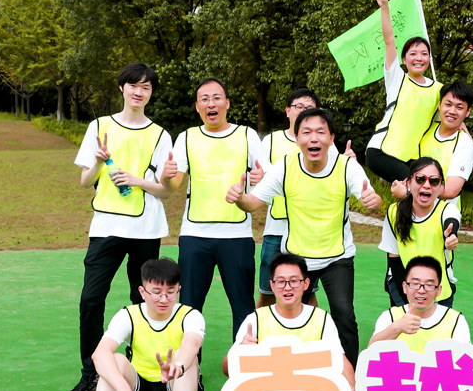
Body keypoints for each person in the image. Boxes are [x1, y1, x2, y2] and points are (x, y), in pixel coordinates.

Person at [229, 108, 382, 367]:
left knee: (344, 315)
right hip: (297, 259)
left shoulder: (347, 166)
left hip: (337, 257)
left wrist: (373, 201)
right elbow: (252, 202)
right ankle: (293, 370)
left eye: (321, 132)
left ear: (331, 138)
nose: (314, 138)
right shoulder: (285, 166)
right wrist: (240, 198)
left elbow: (373, 200)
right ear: (297, 138)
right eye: (307, 132)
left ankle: (349, 380)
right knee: (291, 315)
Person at [69, 62, 173, 391]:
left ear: (151, 93)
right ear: (122, 88)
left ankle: (138, 369)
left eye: (146, 87)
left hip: (146, 228)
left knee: (142, 299)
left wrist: (136, 180)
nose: (139, 92)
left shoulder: (160, 134)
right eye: (133, 85)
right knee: (91, 299)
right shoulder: (99, 126)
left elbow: (165, 190)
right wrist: (100, 161)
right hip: (106, 227)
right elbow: (85, 180)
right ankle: (91, 373)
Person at [161, 78, 261, 341]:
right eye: (204, 99)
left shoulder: (247, 135)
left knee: (243, 307)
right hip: (195, 235)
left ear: (227, 103)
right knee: (189, 307)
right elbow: (173, 184)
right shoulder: (187, 137)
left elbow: (264, 177)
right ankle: (190, 365)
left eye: (216, 98)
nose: (210, 104)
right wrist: (166, 176)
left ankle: (244, 362)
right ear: (197, 107)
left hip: (237, 235)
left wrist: (260, 179)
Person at [228, 253, 355, 391]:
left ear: (306, 284)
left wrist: (352, 387)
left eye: (294, 281)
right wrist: (241, 350)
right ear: (272, 285)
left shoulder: (321, 318)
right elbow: (228, 369)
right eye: (281, 282)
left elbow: (339, 359)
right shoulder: (256, 319)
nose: (287, 287)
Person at [83, 258, 204, 391]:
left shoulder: (190, 315)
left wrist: (178, 366)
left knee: (185, 358)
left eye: (171, 292)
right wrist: (122, 389)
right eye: (156, 292)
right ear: (142, 291)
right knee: (114, 359)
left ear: (179, 289)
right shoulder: (128, 315)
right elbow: (99, 354)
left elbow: (192, 344)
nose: (164, 299)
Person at [253, 88, 338, 309]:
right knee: (267, 292)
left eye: (309, 107)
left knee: (307, 294)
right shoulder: (270, 140)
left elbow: (336, 174)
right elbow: (261, 176)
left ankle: (312, 331)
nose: (303, 111)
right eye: (298, 106)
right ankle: (259, 330)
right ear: (288, 111)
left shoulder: (325, 143)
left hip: (309, 231)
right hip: (276, 228)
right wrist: (259, 178)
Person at [364, 0, 442, 183]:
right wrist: (384, 7)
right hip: (381, 151)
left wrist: (463, 130)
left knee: (415, 194)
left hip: (411, 159)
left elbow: (452, 114)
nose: (419, 58)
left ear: (429, 59)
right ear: (404, 59)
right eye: (413, 53)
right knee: (416, 189)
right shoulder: (397, 78)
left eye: (424, 53)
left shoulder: (438, 90)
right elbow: (389, 40)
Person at [379, 158, 460, 307]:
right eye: (420, 179)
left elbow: (451, 221)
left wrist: (452, 235)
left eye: (434, 181)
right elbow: (394, 259)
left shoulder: (446, 210)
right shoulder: (394, 212)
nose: (427, 185)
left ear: (441, 187)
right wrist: (406, 299)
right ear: (409, 182)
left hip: (439, 291)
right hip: (402, 287)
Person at [390, 80, 473, 203]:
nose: (452, 111)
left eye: (459, 107)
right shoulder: (426, 128)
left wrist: (409, 190)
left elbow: (451, 190)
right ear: (439, 105)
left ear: (467, 112)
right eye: (448, 104)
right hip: (411, 208)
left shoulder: (464, 144)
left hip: (441, 213)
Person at [369, 255, 470, 352]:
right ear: (405, 287)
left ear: (439, 290)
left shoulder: (455, 320)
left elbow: (467, 360)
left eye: (429, 284)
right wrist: (396, 328)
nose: (421, 290)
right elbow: (370, 354)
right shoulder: (390, 317)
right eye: (415, 283)